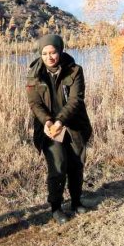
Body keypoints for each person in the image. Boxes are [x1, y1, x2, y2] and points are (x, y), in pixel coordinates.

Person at [26, 34, 93, 224]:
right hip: (48, 128)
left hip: (73, 125)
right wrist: (47, 122)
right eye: (45, 53)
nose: (49, 57)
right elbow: (35, 103)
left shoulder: (75, 71)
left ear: (60, 51)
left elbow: (75, 100)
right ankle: (56, 207)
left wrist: (60, 121)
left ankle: (76, 201)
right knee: (58, 166)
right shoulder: (33, 74)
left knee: (76, 165)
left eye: (53, 52)